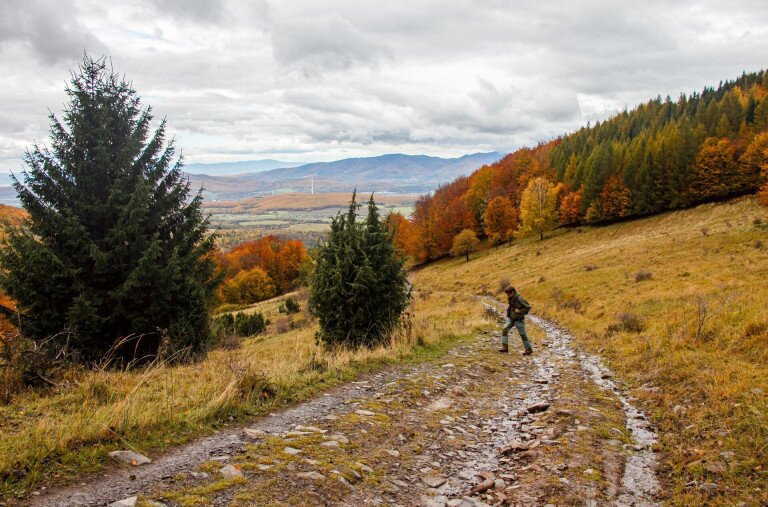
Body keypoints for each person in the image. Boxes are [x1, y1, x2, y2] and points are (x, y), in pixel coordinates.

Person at [499, 286, 533, 355]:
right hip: (511, 318)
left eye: (508, 294)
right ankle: (505, 347)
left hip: (519, 320)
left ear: (512, 292)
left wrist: (520, 311)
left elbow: (528, 307)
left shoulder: (519, 299)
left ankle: (528, 349)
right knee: (504, 329)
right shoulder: (511, 298)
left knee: (523, 334)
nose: (507, 295)